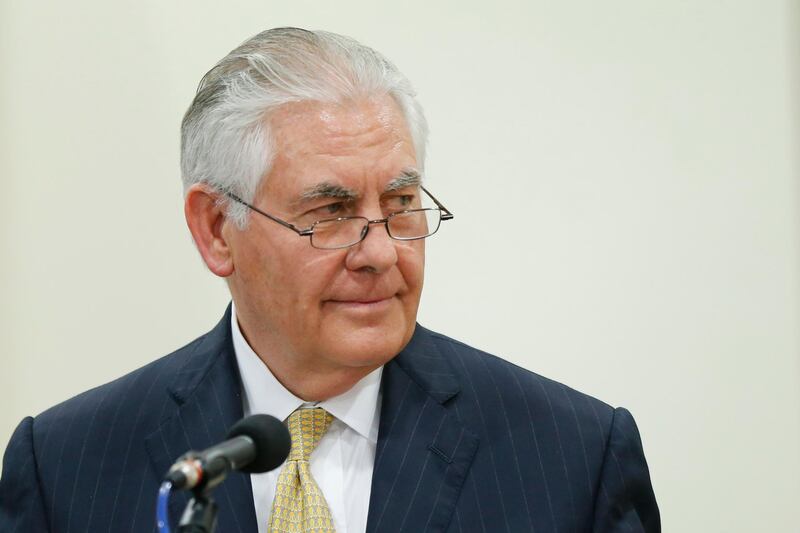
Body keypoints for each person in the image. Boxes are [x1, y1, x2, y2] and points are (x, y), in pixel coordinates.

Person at [0, 27, 660, 532]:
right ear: (214, 228)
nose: (381, 252)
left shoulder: (573, 459)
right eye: (331, 213)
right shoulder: (64, 465)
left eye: (401, 205)